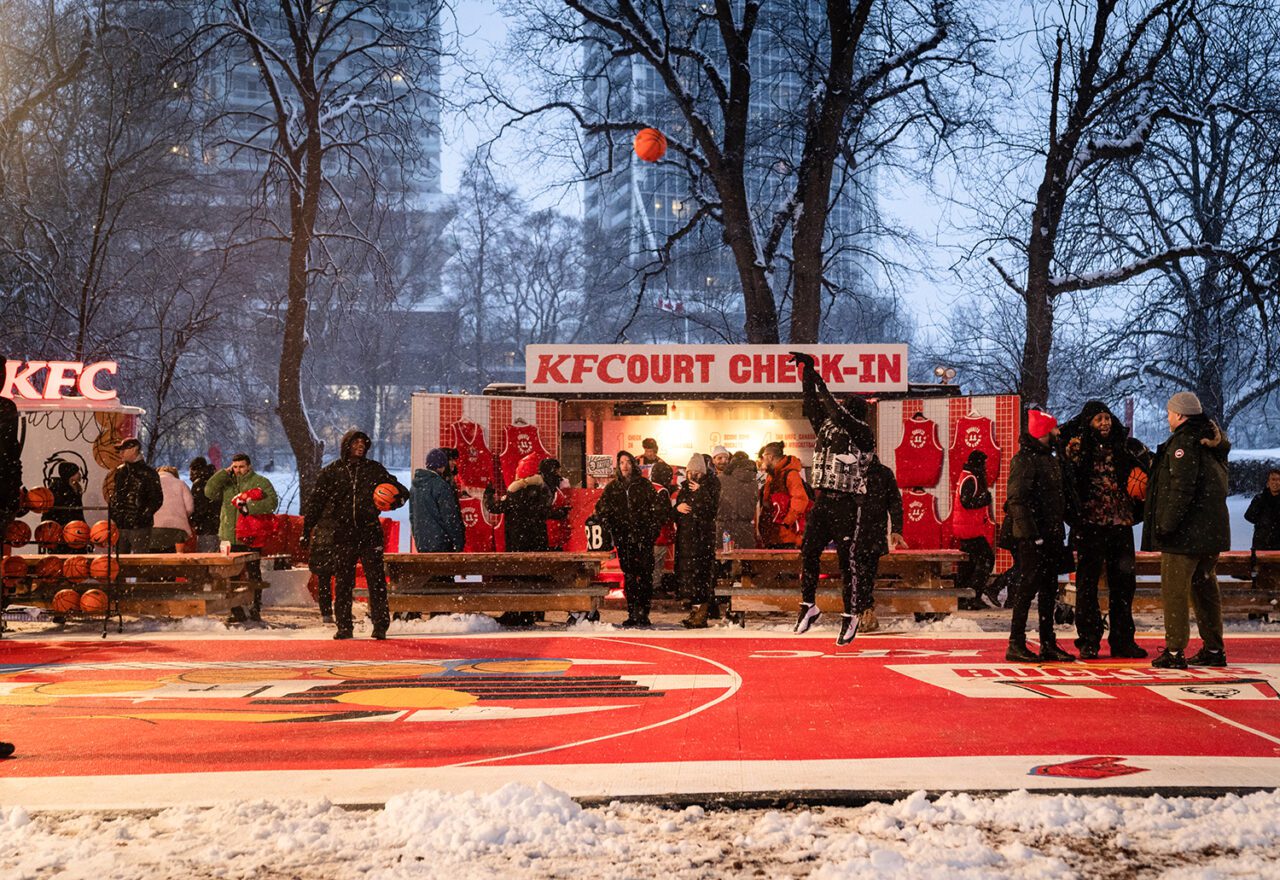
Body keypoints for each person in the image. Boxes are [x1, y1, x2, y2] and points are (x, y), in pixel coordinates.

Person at [791, 351, 875, 646]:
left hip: (847, 502)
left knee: (846, 560)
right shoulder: (828, 427)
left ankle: (851, 613)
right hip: (823, 500)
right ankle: (808, 604)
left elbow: (835, 411)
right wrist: (807, 373)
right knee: (808, 551)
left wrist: (820, 383)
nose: (839, 408)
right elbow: (811, 405)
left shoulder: (863, 434)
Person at [1143, 392, 1231, 669]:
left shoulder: (1183, 443)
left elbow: (1182, 489)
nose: (1167, 417)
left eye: (1169, 412)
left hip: (1184, 535)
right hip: (1210, 533)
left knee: (1175, 592)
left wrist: (1166, 526)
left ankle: (1174, 651)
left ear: (1180, 415)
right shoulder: (1211, 441)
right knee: (1205, 590)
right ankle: (1214, 649)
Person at [1059, 400, 1152, 659]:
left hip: (1120, 525)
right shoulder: (1076, 449)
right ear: (1089, 422)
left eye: (1107, 417)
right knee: (1087, 587)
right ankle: (1089, 640)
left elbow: (1150, 468)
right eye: (1099, 419)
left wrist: (1143, 486)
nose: (1104, 423)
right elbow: (1066, 483)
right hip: (1089, 526)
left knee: (1124, 585)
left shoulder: (1126, 446)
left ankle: (1123, 640)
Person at [303, 430, 407, 640]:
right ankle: (344, 626)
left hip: (369, 531)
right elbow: (315, 503)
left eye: (363, 443)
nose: (360, 445)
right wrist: (307, 530)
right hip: (343, 533)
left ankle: (380, 625)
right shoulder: (332, 471)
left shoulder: (374, 469)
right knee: (343, 582)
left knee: (376, 580)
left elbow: (402, 491)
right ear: (347, 445)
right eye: (356, 442)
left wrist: (396, 501)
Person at [1001, 408, 1076, 663]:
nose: (1058, 432)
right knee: (1028, 587)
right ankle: (1016, 642)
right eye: (1054, 428)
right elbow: (1017, 500)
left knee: (1047, 588)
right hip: (1034, 537)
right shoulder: (1026, 460)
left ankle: (1047, 642)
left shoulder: (1047, 458)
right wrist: (1032, 535)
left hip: (1049, 534)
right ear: (1044, 432)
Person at [485, 454, 570, 627]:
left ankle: (516, 612)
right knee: (532, 578)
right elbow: (541, 512)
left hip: (516, 544)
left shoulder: (518, 490)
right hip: (535, 543)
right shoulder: (541, 490)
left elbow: (494, 507)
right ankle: (530, 612)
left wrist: (488, 494)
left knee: (517, 579)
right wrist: (559, 513)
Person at [593, 450, 669, 627]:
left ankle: (644, 613)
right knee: (629, 576)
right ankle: (632, 612)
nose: (624, 466)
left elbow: (658, 512)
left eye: (627, 462)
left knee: (645, 576)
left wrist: (651, 532)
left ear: (633, 465)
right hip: (624, 539)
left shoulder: (644, 485)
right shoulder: (613, 487)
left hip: (644, 539)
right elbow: (601, 509)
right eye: (621, 463)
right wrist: (613, 527)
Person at [205, 454, 278, 622]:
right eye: (235, 467)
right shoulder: (227, 482)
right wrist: (223, 473)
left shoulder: (260, 481)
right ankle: (236, 610)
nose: (238, 470)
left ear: (249, 466)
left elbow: (272, 503)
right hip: (230, 535)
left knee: (253, 573)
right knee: (232, 576)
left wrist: (246, 506)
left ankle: (255, 607)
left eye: (242, 466)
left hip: (251, 535)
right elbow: (209, 492)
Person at [853, 454, 906, 633]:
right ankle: (861, 611)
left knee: (866, 574)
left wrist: (896, 529)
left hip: (873, 534)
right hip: (852, 534)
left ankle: (864, 611)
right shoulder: (849, 471)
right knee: (856, 574)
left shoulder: (883, 473)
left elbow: (895, 502)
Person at [674, 453, 722, 628]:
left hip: (702, 540)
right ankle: (694, 611)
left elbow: (711, 510)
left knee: (702, 577)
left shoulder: (711, 486)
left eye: (696, 472)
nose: (692, 475)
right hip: (686, 540)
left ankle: (702, 613)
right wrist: (677, 508)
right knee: (690, 580)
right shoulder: (684, 489)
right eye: (689, 472)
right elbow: (675, 515)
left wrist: (700, 493)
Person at [952, 450, 998, 611]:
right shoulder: (971, 478)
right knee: (987, 559)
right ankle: (973, 596)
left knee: (968, 565)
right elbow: (967, 502)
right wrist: (984, 499)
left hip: (964, 528)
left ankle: (963, 598)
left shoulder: (966, 475)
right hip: (970, 529)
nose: (985, 466)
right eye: (984, 463)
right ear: (979, 464)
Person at [104, 438, 163, 554]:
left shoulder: (148, 473)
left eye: (123, 450)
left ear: (134, 449)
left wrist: (142, 516)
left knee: (138, 562)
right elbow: (117, 495)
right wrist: (115, 513)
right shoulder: (121, 472)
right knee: (120, 562)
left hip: (139, 527)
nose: (120, 453)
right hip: (123, 525)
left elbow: (156, 499)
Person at [410, 447, 465, 553]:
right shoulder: (441, 485)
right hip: (441, 542)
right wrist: (458, 542)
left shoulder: (415, 486)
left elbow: (413, 516)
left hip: (423, 542)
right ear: (443, 465)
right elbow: (450, 516)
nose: (454, 463)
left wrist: (418, 538)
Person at [757, 442, 808, 549]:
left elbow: (800, 499)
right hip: (773, 535)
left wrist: (786, 521)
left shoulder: (790, 474)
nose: (762, 460)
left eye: (763, 457)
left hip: (786, 537)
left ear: (770, 457)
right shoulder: (772, 475)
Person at [716, 451, 758, 551]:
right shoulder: (754, 482)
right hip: (746, 530)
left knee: (724, 562)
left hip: (724, 529)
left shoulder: (720, 479)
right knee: (746, 562)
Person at [151, 466, 194, 553]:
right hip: (177, 531)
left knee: (154, 558)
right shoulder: (181, 484)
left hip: (153, 528)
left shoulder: (151, 483)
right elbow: (190, 507)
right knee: (174, 560)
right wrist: (180, 515)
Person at [188, 457, 222, 553]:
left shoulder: (199, 483)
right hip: (217, 524)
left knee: (205, 557)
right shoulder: (213, 480)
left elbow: (200, 506)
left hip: (206, 526)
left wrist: (194, 520)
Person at [1244, 468, 1280, 552]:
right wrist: (1263, 522)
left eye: (1279, 480)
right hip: (1261, 544)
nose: (1276, 482)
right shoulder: (1259, 498)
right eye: (1273, 479)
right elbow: (1248, 516)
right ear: (1268, 482)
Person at [43, 462, 85, 528]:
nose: (79, 474)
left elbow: (77, 512)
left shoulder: (74, 489)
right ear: (71, 475)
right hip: (61, 527)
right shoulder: (58, 489)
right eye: (77, 472)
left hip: (70, 526)